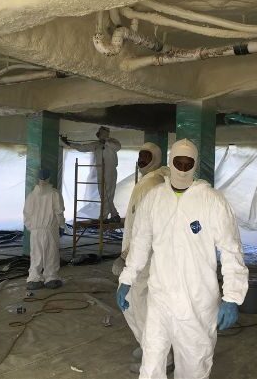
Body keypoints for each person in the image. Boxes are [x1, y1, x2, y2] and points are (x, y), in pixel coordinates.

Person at [117, 139, 249, 379]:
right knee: (151, 365)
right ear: (170, 162)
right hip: (160, 299)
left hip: (197, 302)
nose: (183, 168)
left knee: (193, 367)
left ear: (195, 165)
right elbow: (140, 242)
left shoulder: (212, 200)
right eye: (178, 162)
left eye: (188, 163)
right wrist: (127, 278)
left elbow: (231, 251)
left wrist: (232, 297)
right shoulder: (155, 198)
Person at [112, 142, 171, 373]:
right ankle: (148, 346)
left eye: (146, 157)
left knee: (139, 305)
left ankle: (160, 358)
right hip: (141, 255)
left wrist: (126, 256)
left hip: (142, 257)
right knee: (137, 304)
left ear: (156, 159)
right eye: (140, 156)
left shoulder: (151, 185)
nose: (141, 160)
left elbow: (143, 228)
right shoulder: (150, 182)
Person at [61, 126, 121, 223]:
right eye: (101, 133)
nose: (102, 135)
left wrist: (106, 142)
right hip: (100, 170)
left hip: (110, 170)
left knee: (108, 194)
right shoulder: (96, 144)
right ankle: (114, 215)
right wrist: (69, 143)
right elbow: (82, 147)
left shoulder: (113, 142)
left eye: (104, 133)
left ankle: (103, 217)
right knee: (104, 195)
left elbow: (118, 147)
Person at [24, 168, 65, 290]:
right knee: (51, 253)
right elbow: (59, 212)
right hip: (50, 230)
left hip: (35, 231)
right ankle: (51, 278)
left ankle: (34, 279)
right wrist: (61, 226)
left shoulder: (31, 195)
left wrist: (32, 228)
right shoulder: (54, 194)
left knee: (36, 254)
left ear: (38, 178)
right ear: (49, 178)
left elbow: (26, 214)